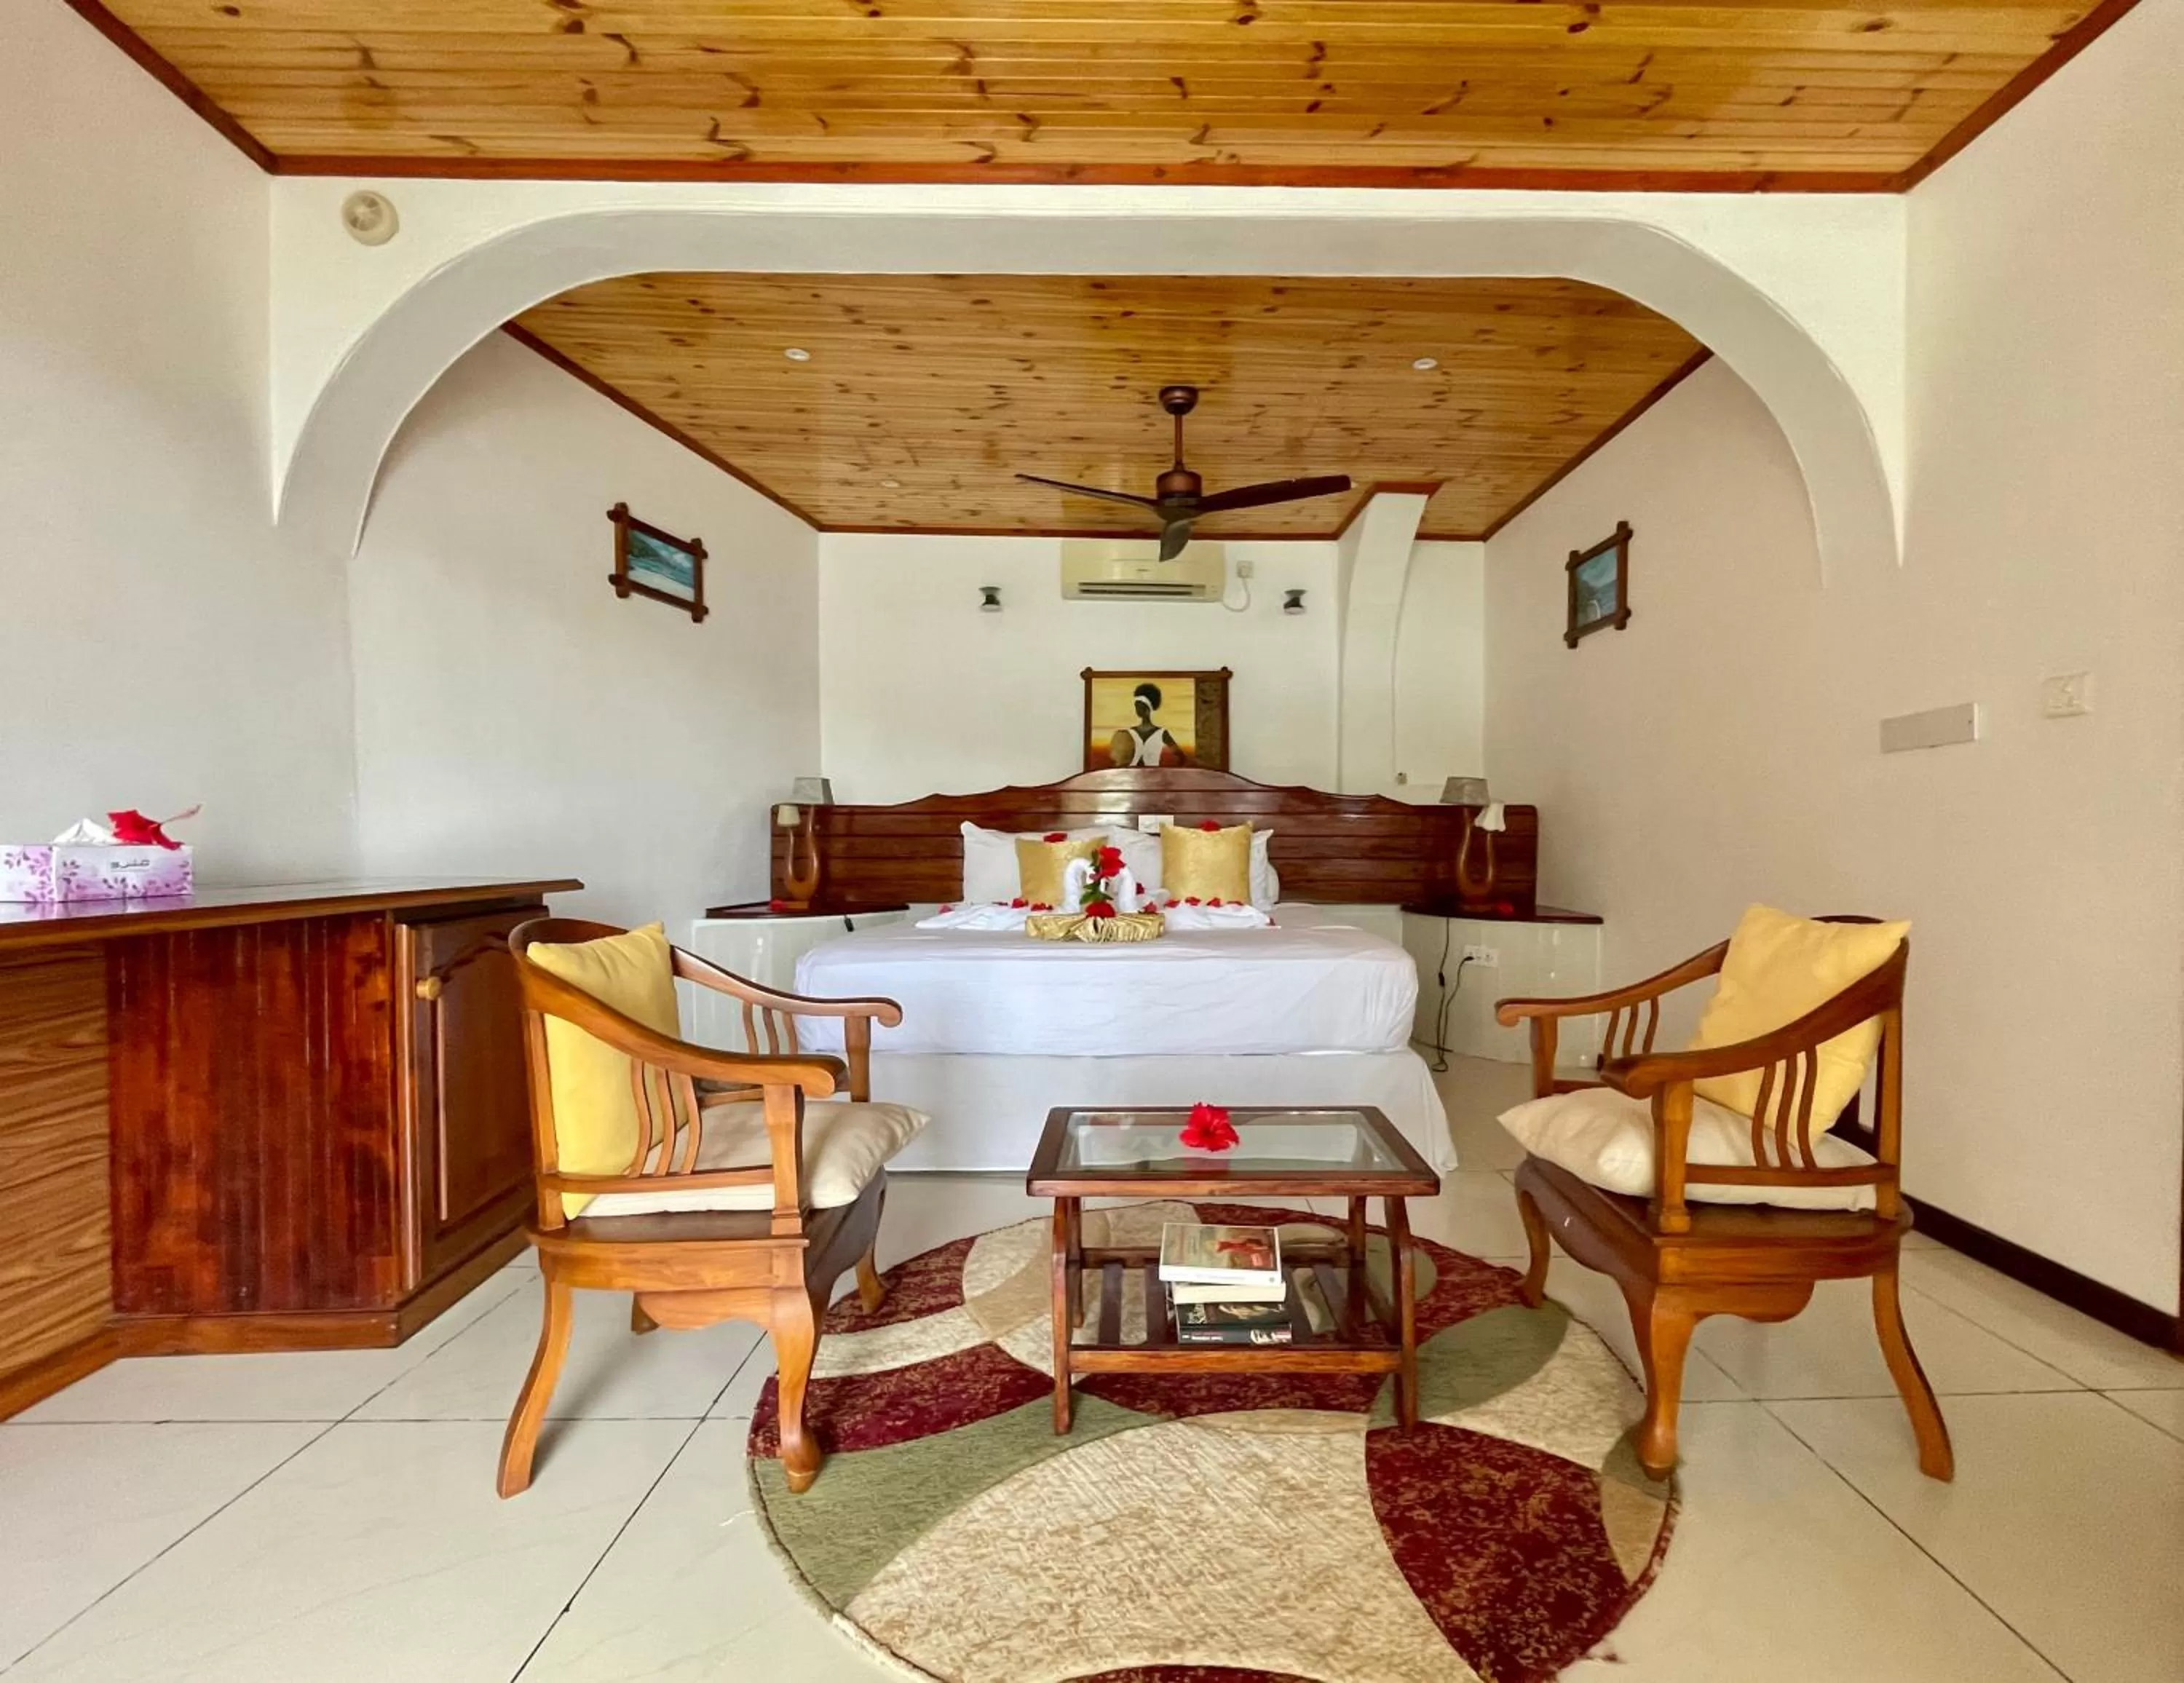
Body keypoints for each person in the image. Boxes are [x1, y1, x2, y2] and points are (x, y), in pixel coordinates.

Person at [1108, 681, 1189, 768]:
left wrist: (1167, 773)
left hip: (1153, 775)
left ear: (1148, 708)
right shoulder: (1130, 733)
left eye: (1139, 706)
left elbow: (1181, 757)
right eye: (1136, 706)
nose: (1137, 709)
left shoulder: (1162, 733)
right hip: (1133, 774)